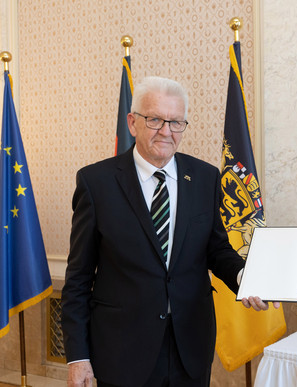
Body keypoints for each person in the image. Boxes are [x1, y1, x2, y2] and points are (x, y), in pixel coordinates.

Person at [62, 76, 275, 387]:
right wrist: (77, 356)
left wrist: (244, 277)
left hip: (190, 346)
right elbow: (78, 278)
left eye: (176, 122)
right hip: (122, 351)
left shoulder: (205, 177)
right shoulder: (97, 183)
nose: (166, 131)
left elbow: (216, 249)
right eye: (155, 119)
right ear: (132, 123)